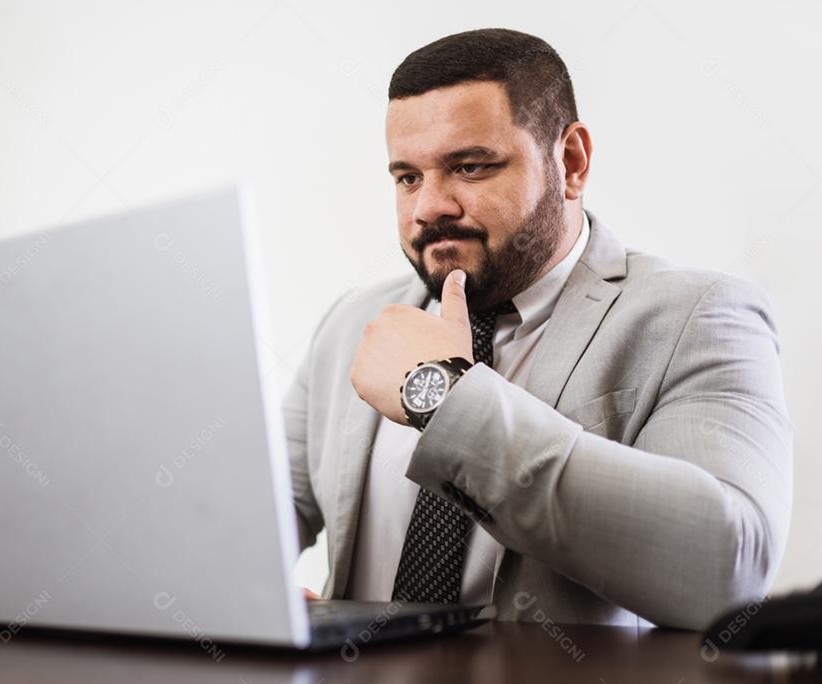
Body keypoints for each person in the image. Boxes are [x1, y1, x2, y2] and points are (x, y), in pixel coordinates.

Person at [285, 28, 792, 630]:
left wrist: (441, 393)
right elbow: (251, 519)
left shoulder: (698, 316)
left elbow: (727, 571)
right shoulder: (353, 323)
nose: (428, 207)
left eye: (469, 167)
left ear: (571, 162)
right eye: (407, 178)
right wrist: (248, 585)